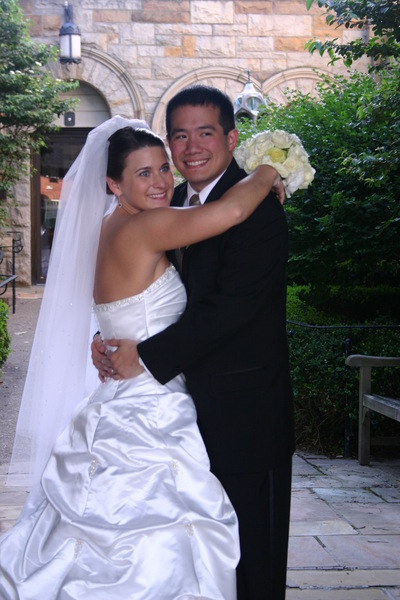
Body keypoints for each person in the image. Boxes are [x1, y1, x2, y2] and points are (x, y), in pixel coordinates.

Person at [0, 117, 283, 599]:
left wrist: (102, 339)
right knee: (159, 540)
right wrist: (269, 171)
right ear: (114, 184)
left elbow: (121, 309)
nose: (161, 182)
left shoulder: (107, 228)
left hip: (118, 395)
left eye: (163, 169)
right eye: (144, 173)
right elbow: (233, 211)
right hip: (151, 407)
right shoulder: (148, 227)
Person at [93, 86, 295, 600]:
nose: (191, 148)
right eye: (179, 136)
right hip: (176, 419)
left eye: (205, 133)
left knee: (251, 564)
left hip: (244, 418)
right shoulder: (169, 202)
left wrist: (142, 354)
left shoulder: (258, 209)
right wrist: (111, 336)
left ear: (231, 138)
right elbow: (142, 291)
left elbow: (229, 310)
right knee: (187, 563)